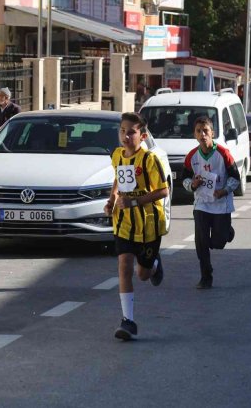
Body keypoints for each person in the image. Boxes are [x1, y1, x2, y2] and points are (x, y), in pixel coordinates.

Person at [103, 112, 169, 341]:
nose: (125, 135)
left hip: (148, 224)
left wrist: (136, 201)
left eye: (131, 132)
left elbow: (163, 190)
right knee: (124, 265)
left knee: (142, 273)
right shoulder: (118, 156)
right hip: (124, 222)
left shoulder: (149, 160)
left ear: (143, 135)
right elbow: (118, 180)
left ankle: (155, 264)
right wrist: (112, 200)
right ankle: (128, 321)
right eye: (122, 130)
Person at [183, 117, 239, 289]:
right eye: (198, 131)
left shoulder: (223, 153)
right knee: (201, 243)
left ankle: (227, 231)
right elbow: (184, 179)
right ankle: (206, 276)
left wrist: (223, 191)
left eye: (206, 131)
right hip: (201, 203)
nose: (202, 134)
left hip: (220, 204)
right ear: (194, 134)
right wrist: (192, 185)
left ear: (212, 133)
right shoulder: (192, 156)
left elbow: (235, 178)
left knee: (218, 242)